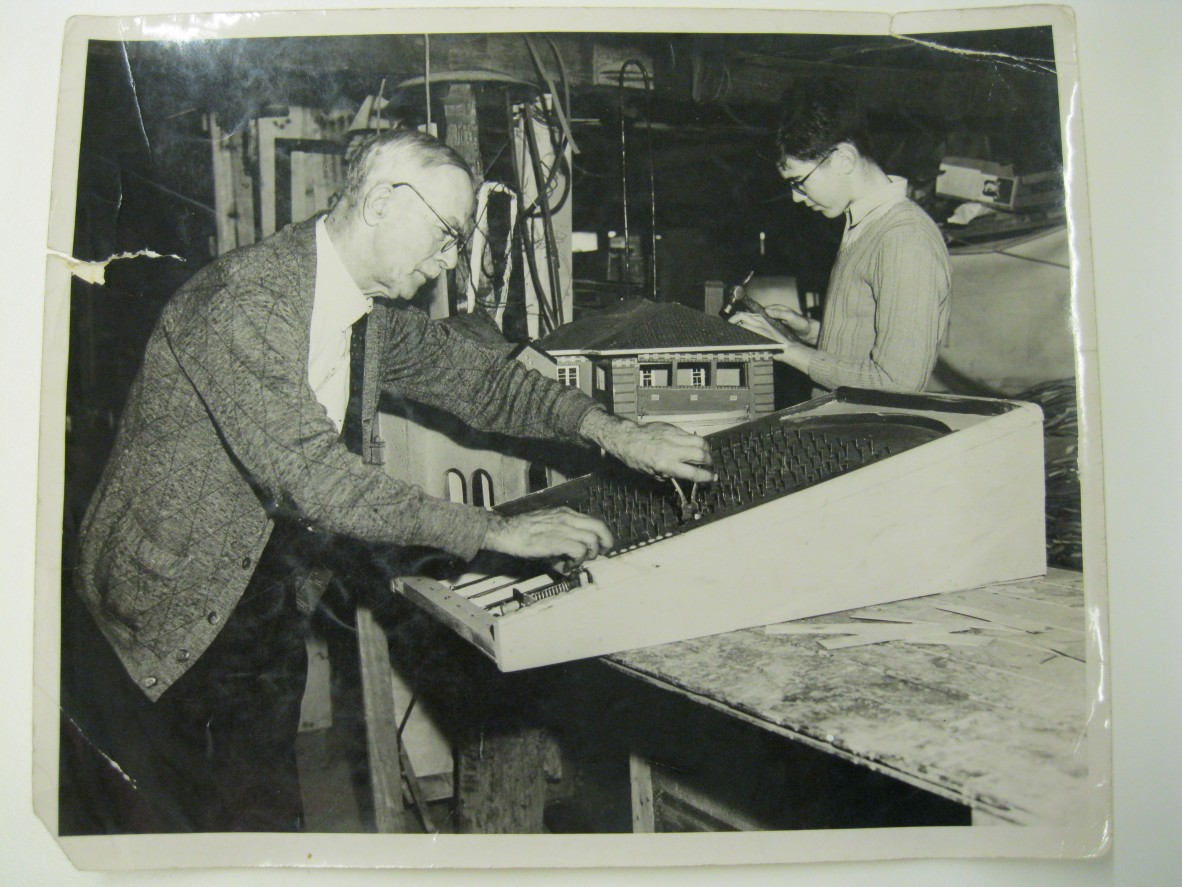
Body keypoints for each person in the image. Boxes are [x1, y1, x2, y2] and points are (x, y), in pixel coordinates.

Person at [63, 127, 712, 833]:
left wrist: (614, 431)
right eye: (446, 233)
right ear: (379, 203)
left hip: (263, 601)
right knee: (154, 833)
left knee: (264, 820)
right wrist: (495, 530)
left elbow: (482, 380)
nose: (450, 258)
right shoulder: (243, 299)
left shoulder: (362, 314)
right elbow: (315, 478)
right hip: (153, 617)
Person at [731, 79, 952, 394]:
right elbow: (867, 348)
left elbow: (897, 383)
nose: (796, 197)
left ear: (844, 159)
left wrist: (786, 350)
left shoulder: (904, 239)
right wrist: (811, 333)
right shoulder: (865, 226)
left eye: (799, 181)